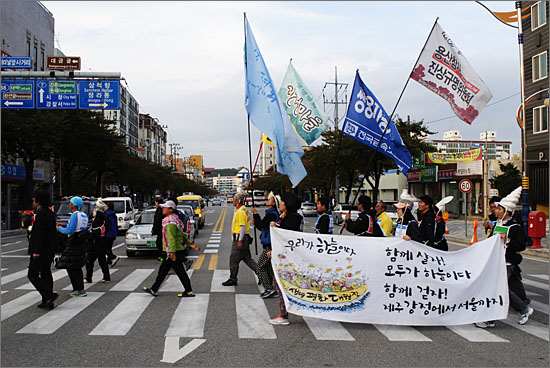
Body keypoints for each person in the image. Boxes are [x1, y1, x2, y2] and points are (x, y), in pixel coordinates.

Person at [143, 200, 195, 298]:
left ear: (171, 209)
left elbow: (170, 237)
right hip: (173, 250)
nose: (162, 209)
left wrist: (171, 252)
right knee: (164, 271)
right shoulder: (175, 219)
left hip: (172, 250)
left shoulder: (170, 221)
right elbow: (181, 233)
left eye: (165, 207)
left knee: (178, 272)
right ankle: (154, 289)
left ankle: (188, 291)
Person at [268, 192, 303, 326]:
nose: (280, 203)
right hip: (283, 256)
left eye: (282, 201)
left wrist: (276, 228)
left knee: (281, 284)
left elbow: (287, 237)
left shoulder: (293, 218)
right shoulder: (287, 216)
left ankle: (284, 314)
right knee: (279, 284)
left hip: (288, 258)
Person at [27, 191, 58, 309]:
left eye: (34, 199)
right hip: (49, 249)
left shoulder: (41, 214)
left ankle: (49, 295)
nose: (33, 201)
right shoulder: (49, 213)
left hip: (41, 250)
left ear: (38, 200)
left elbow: (40, 234)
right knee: (45, 272)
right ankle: (47, 300)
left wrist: (36, 251)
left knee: (32, 274)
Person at [222, 191, 257, 286]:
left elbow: (242, 227)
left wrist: (240, 240)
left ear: (238, 201)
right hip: (244, 238)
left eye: (234, 199)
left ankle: (233, 279)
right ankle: (262, 274)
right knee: (247, 259)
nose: (232, 201)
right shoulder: (244, 209)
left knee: (233, 260)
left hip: (239, 238)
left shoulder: (240, 212)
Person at [56, 196, 89, 297]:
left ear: (74, 204)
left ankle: (78, 288)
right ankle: (80, 288)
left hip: (74, 242)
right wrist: (65, 225)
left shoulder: (74, 215)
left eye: (70, 202)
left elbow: (70, 230)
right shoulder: (84, 215)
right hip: (81, 241)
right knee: (77, 266)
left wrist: (59, 228)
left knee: (71, 266)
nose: (69, 204)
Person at [251, 192, 280, 298]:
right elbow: (263, 228)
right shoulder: (270, 213)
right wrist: (256, 222)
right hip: (268, 244)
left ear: (274, 203)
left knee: (259, 267)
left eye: (270, 199)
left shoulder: (272, 214)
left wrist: (256, 214)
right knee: (268, 268)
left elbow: (263, 225)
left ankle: (269, 288)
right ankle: (273, 288)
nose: (268, 199)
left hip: (270, 245)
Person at [85, 199, 110, 283]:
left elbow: (95, 234)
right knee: (102, 261)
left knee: (89, 262)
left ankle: (88, 277)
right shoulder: (103, 219)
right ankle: (106, 277)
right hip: (101, 244)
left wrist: (88, 234)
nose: (93, 211)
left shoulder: (97, 221)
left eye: (94, 209)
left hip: (95, 245)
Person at [104, 202, 119, 266]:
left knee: (105, 248)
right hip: (113, 232)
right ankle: (109, 260)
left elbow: (106, 224)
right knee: (109, 247)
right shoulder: (113, 214)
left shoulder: (106, 214)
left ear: (107, 207)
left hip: (108, 233)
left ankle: (114, 257)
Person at [151, 196, 165, 263]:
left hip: (161, 230)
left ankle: (162, 257)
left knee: (160, 244)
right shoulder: (164, 209)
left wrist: (154, 229)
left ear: (157, 202)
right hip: (163, 229)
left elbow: (157, 220)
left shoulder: (159, 209)